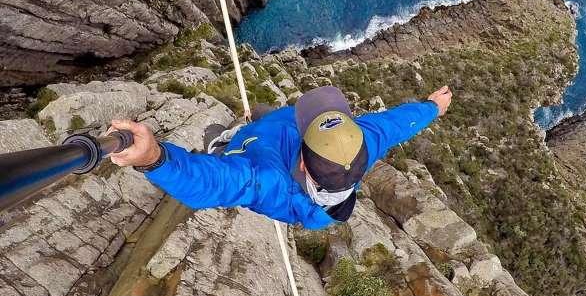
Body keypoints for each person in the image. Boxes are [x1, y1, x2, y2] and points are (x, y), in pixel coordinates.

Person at [108, 85, 452, 230]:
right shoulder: (362, 145)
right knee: (262, 112)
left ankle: (221, 145)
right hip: (275, 133)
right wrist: (433, 107)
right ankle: (256, 120)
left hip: (257, 146)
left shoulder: (267, 181)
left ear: (302, 162)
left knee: (221, 139)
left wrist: (153, 157)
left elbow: (211, 183)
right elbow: (396, 124)